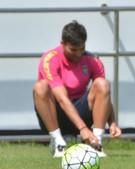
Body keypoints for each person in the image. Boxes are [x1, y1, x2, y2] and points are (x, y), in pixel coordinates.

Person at [32, 20, 121, 157]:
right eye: (73, 50)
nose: (78, 54)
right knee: (41, 87)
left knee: (103, 83)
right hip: (56, 115)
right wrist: (83, 128)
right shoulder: (50, 60)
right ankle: (58, 142)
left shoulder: (93, 60)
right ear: (62, 44)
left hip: (81, 112)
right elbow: (62, 99)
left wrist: (113, 122)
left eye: (82, 48)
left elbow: (104, 94)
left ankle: (95, 144)